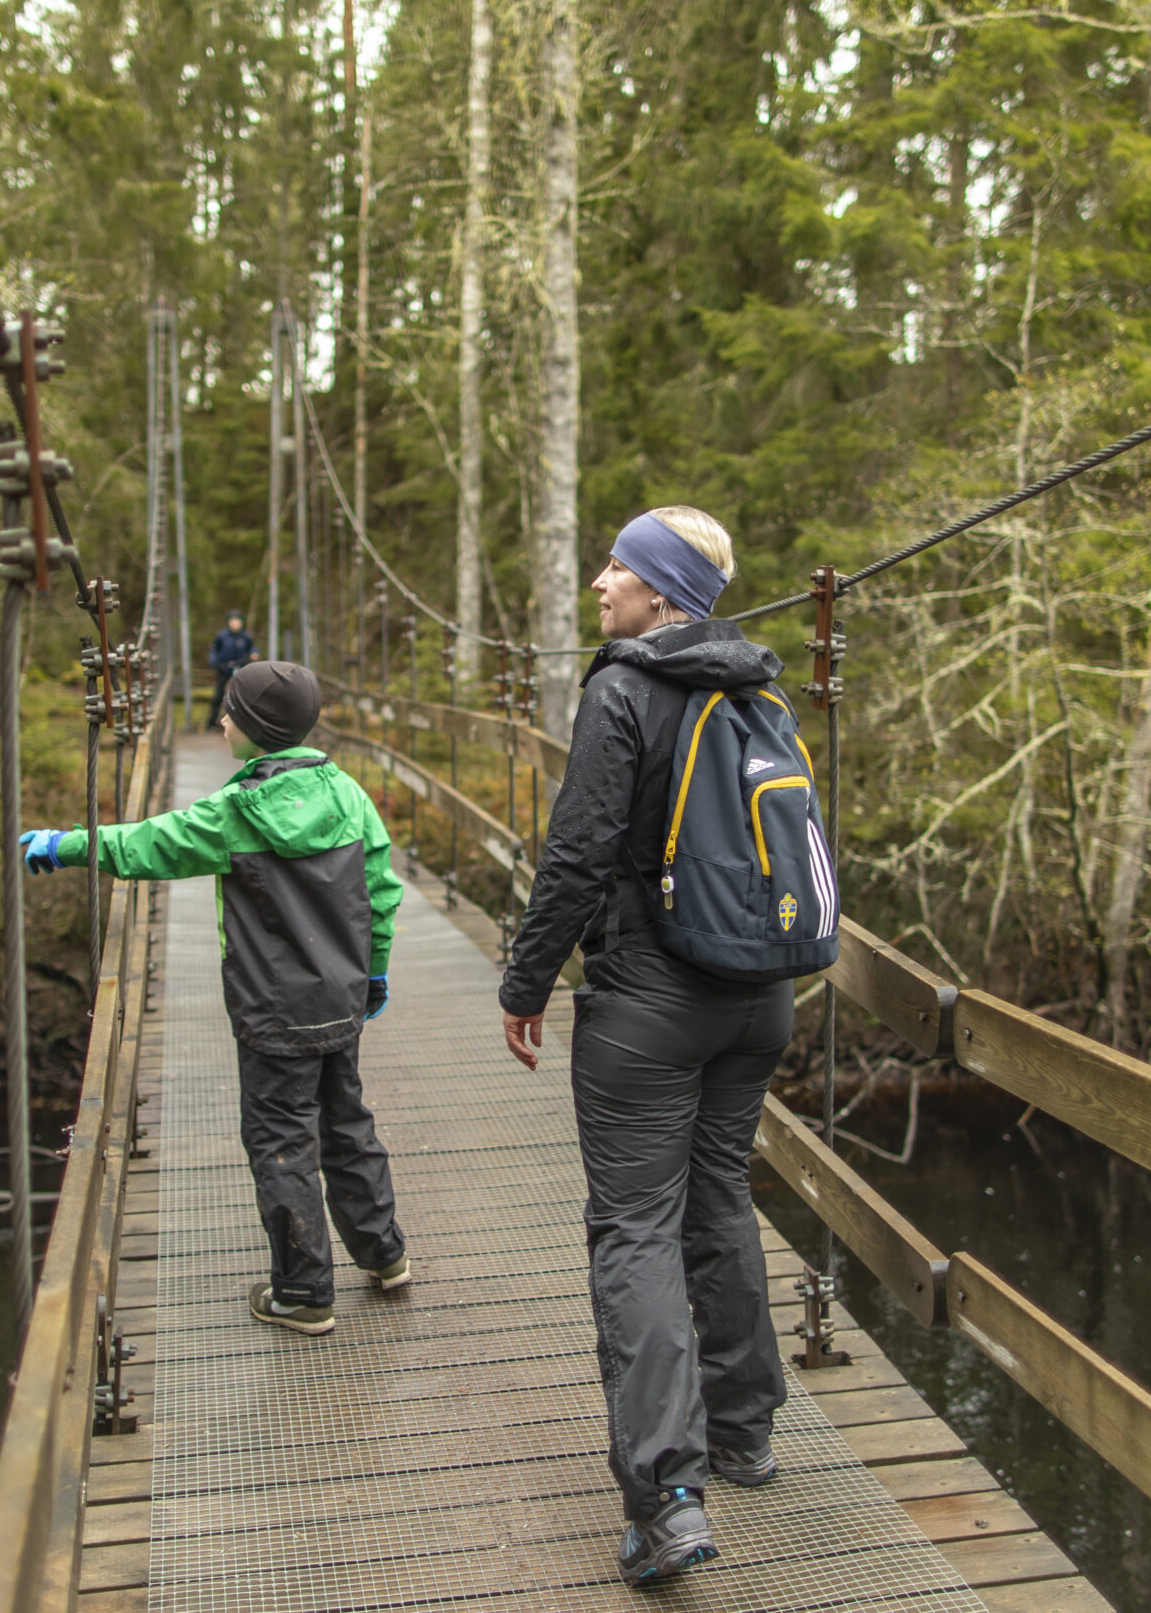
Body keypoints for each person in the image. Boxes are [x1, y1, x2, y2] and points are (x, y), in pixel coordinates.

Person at [496, 506, 790, 1588]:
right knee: (715, 1199)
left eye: (617, 566)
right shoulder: (761, 690)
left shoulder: (622, 690)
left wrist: (526, 982)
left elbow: (577, 854)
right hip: (757, 1001)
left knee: (633, 1230)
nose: (598, 582)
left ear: (662, 593)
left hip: (649, 1006)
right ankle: (745, 1430)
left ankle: (666, 1498)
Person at [21, 660, 408, 1336]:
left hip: (272, 1012)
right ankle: (385, 1255)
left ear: (255, 730)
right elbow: (381, 891)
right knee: (345, 1124)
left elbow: (147, 844)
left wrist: (67, 846)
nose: (220, 720)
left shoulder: (236, 812)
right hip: (341, 1003)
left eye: (229, 711)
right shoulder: (348, 793)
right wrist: (373, 973)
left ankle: (304, 1292)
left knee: (281, 1139)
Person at [205, 610, 258, 731]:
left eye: (238, 621)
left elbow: (252, 648)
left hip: (240, 668)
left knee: (241, 695)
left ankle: (242, 723)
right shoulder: (222, 636)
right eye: (233, 621)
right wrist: (215, 662)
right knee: (218, 696)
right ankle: (212, 721)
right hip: (224, 669)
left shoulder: (245, 637)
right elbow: (214, 650)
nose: (235, 624)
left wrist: (254, 653)